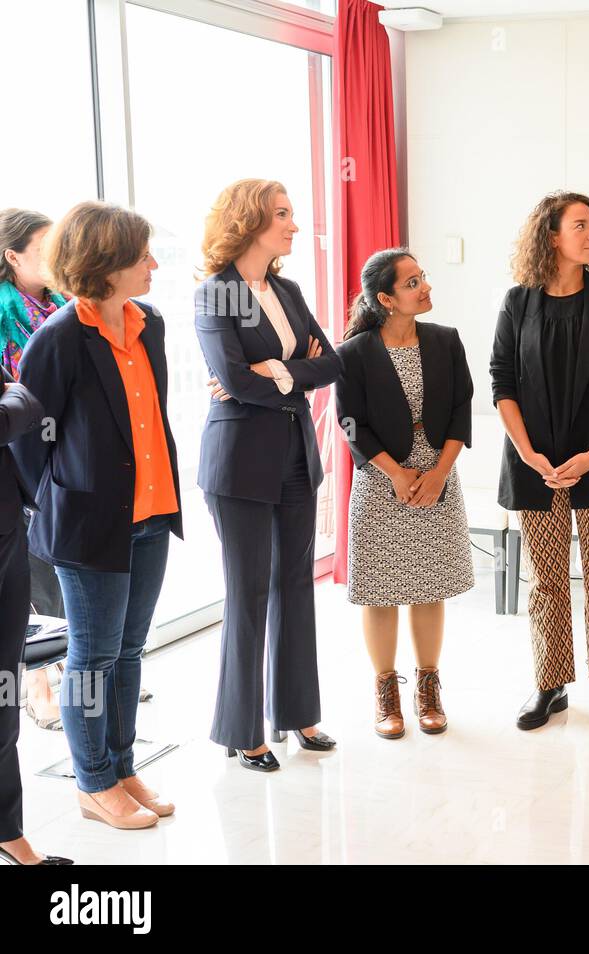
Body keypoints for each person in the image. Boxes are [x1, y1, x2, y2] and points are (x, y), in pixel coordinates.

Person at [14, 202, 181, 829]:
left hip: (153, 512)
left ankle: (121, 764)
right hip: (87, 525)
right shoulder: (58, 338)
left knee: (130, 650)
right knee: (92, 655)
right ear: (104, 264)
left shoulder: (151, 324)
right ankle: (92, 782)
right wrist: (63, 498)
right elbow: (29, 440)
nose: (154, 265)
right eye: (142, 256)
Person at [196, 179, 343, 771]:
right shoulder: (218, 294)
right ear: (250, 222)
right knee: (249, 591)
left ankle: (298, 713)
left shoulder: (287, 288)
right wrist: (291, 370)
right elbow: (233, 381)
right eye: (282, 215)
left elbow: (330, 362)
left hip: (293, 456)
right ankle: (241, 729)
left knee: (294, 586)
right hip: (237, 464)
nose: (293, 225)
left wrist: (278, 371)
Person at [489, 191, 589, 733]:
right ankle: (549, 684)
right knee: (546, 579)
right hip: (536, 463)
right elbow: (501, 381)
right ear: (551, 235)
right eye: (580, 225)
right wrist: (529, 454)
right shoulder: (518, 302)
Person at [335, 249, 475, 738]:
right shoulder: (352, 354)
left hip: (437, 478)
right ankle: (386, 692)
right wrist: (396, 473)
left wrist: (438, 472)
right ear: (386, 299)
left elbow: (462, 408)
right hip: (381, 484)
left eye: (423, 276)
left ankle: (429, 687)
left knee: (429, 586)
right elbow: (351, 423)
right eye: (413, 282)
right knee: (381, 593)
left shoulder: (445, 340)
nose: (425, 287)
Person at [0, 367, 72, 863]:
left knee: (5, 691)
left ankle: (7, 829)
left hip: (6, 530)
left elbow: (25, 400)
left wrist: (14, 401)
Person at [0, 208, 68, 730]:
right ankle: (35, 685)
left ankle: (76, 669)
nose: (54, 259)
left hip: (66, 441)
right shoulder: (4, 311)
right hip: (21, 449)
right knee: (33, 570)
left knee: (66, 559)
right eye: (42, 250)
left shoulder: (63, 302)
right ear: (13, 256)